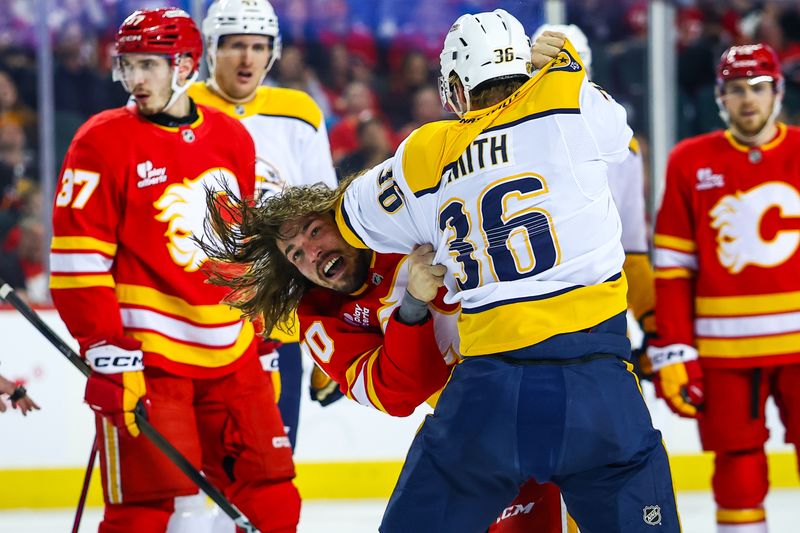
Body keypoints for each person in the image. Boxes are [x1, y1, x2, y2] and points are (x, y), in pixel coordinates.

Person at [334, 11, 680, 532]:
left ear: (454, 85)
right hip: (599, 385)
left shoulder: (426, 151)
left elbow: (350, 219)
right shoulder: (565, 96)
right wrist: (567, 69)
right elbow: (617, 137)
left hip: (488, 393)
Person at [198, 182, 573, 533]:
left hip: (548, 394)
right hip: (468, 425)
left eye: (314, 231)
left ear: (343, 220)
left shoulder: (408, 223)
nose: (311, 253)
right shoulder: (322, 317)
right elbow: (399, 394)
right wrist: (412, 306)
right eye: (296, 254)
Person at [49, 8, 299, 533]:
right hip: (148, 358)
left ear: (184, 65)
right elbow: (78, 260)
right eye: (128, 66)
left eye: (149, 65)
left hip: (233, 354)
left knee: (273, 494)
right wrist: (102, 344)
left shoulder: (232, 138)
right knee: (146, 510)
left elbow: (244, 250)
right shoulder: (101, 141)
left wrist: (261, 337)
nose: (135, 80)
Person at [649, 43, 800, 533]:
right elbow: (673, 266)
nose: (748, 100)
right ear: (720, 97)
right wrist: (675, 347)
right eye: (736, 90)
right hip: (724, 351)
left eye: (757, 88)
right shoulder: (690, 160)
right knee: (737, 468)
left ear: (777, 91)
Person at [189, 0, 337, 451]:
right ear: (211, 49)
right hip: (194, 318)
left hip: (277, 318)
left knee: (269, 466)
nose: (247, 58)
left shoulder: (298, 111)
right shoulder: (180, 106)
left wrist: (331, 333)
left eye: (258, 46)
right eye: (235, 45)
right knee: (195, 473)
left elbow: (325, 225)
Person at [531, 23, 656, 368]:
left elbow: (630, 249)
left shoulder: (623, 148)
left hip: (598, 311)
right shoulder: (509, 137)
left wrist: (655, 324)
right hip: (523, 314)